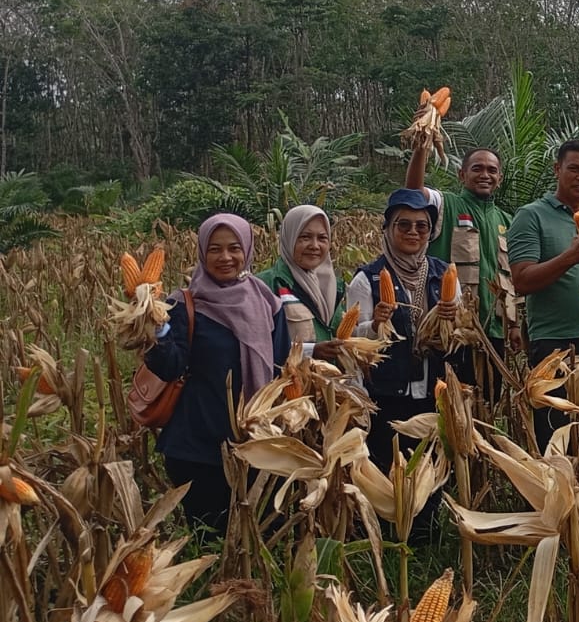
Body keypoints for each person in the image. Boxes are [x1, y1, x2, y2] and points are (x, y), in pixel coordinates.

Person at [145, 214, 290, 532]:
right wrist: (154, 326)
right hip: (201, 447)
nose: (225, 257)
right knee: (212, 538)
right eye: (215, 249)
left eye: (234, 248)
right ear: (201, 253)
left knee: (258, 537)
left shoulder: (267, 302)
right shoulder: (184, 306)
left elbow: (281, 366)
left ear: (248, 250)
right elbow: (169, 366)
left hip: (257, 442)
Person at [507, 138, 579, 447]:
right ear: (557, 169)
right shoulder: (531, 216)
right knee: (556, 432)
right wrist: (571, 256)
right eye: (574, 169)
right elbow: (521, 280)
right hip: (555, 343)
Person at [346, 189, 457, 479]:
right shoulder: (367, 278)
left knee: (428, 471)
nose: (413, 232)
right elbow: (351, 343)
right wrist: (373, 326)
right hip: (387, 392)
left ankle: (425, 525)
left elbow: (458, 337)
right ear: (387, 229)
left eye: (422, 226)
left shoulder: (442, 273)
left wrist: (451, 323)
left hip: (434, 390)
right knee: (387, 470)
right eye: (403, 224)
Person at [405, 140, 519, 396]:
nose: (485, 175)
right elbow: (412, 193)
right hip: (452, 332)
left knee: (487, 406)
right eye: (477, 168)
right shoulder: (446, 205)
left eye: (492, 170)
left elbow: (510, 277)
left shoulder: (506, 220)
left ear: (499, 178)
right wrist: (422, 143)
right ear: (462, 174)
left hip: (494, 334)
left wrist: (513, 326)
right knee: (450, 406)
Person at [257, 203, 347, 352]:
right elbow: (258, 346)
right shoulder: (266, 285)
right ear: (289, 238)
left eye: (322, 238)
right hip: (292, 375)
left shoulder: (334, 287)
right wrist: (311, 352)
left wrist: (375, 325)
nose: (315, 245)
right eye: (305, 237)